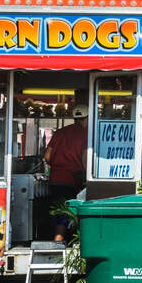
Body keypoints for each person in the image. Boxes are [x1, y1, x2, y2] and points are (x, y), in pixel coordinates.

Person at [44, 104, 88, 242]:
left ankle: (58, 238)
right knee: (67, 211)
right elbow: (85, 157)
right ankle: (59, 240)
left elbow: (47, 157)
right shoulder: (86, 134)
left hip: (55, 178)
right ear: (87, 118)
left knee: (57, 209)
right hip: (71, 178)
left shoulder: (60, 132)